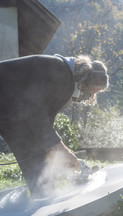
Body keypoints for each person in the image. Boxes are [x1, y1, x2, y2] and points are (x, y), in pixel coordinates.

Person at [0, 54, 109, 197]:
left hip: (9, 113)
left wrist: (58, 151)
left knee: (33, 152)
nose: (91, 95)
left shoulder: (63, 76)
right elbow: (35, 113)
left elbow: (43, 122)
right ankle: (44, 197)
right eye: (93, 90)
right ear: (86, 79)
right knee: (34, 151)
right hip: (9, 109)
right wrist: (60, 149)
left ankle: (44, 199)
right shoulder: (59, 72)